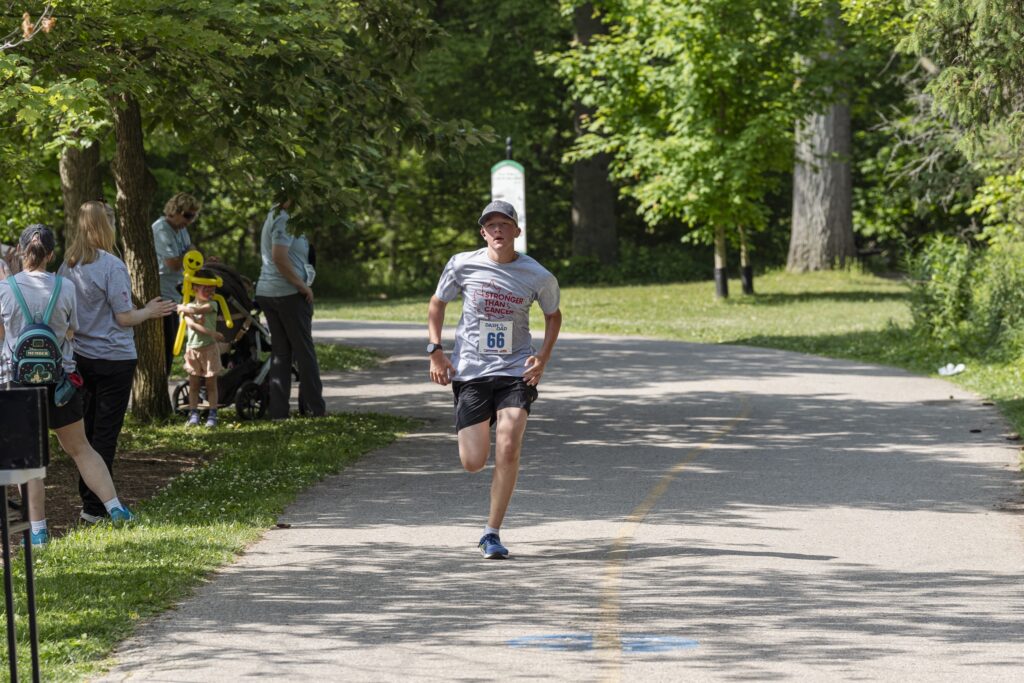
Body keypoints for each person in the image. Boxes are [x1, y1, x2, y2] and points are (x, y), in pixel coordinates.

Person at [427, 200, 562, 559]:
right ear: (483, 233)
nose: (498, 230)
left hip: (516, 370)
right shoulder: (461, 264)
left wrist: (543, 357)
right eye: (491, 225)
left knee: (508, 444)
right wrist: (436, 350)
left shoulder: (537, 274)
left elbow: (553, 315)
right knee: (473, 461)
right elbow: (437, 303)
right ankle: (481, 420)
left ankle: (492, 532)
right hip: (471, 371)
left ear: (517, 230)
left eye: (505, 224)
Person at [0, 224, 135, 546]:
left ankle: (38, 531)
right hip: (60, 381)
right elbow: (72, 329)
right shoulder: (65, 286)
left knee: (28, 460)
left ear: (21, 252)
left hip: (18, 383)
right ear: (50, 255)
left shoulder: (5, 289)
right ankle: (116, 509)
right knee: (81, 448)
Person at [59, 201, 177, 523]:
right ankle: (97, 507)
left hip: (81, 357)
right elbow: (124, 318)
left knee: (87, 433)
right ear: (106, 226)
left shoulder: (68, 265)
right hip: (114, 358)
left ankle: (91, 503)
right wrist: (150, 311)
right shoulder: (112, 266)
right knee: (105, 434)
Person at [254, 192, 325, 418]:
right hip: (287, 294)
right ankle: (314, 408)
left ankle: (278, 411)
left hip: (269, 291)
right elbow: (279, 257)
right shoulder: (283, 218)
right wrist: (302, 286)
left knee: (281, 353)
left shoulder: (275, 216)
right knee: (304, 352)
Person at [152, 192, 201, 374]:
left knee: (171, 344)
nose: (189, 221)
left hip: (175, 295)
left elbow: (190, 257)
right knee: (165, 346)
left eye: (193, 217)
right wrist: (189, 253)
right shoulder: (161, 229)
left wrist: (190, 255)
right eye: (187, 215)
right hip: (161, 295)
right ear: (175, 210)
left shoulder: (181, 230)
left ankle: (163, 381)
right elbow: (173, 263)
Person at [179, 268, 225, 427]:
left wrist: (183, 308)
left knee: (211, 385)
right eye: (206, 289)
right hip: (193, 350)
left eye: (213, 289)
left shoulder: (212, 304)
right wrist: (211, 332)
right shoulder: (188, 306)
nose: (211, 292)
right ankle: (193, 414)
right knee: (194, 385)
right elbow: (191, 325)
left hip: (209, 350)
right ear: (194, 288)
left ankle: (212, 414)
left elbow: (199, 310)